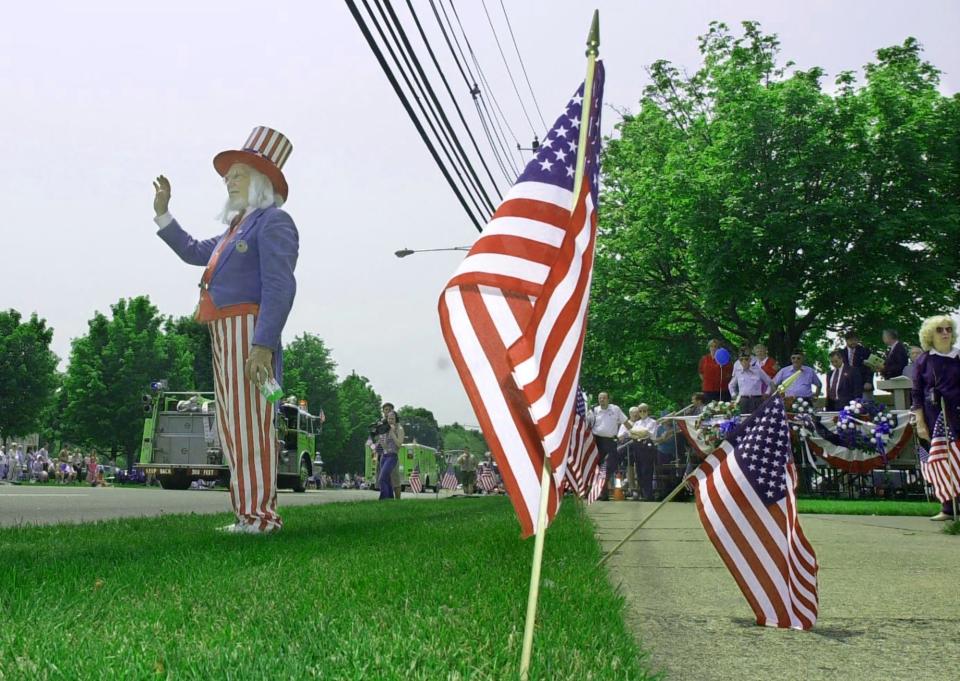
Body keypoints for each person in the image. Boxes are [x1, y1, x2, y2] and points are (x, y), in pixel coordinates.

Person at [153, 126, 299, 534]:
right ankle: (246, 514)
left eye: (238, 174)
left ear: (261, 181)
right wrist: (164, 213)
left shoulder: (273, 222)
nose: (228, 181)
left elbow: (280, 285)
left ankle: (261, 517)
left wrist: (263, 344)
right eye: (228, 176)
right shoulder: (236, 229)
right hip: (224, 331)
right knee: (234, 428)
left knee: (251, 425)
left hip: (248, 330)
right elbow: (195, 251)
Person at [911, 315, 960, 521]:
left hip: (957, 414)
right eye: (940, 329)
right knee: (941, 461)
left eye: (948, 329)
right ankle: (948, 507)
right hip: (934, 416)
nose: (945, 333)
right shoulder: (924, 360)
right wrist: (920, 422)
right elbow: (916, 394)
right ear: (930, 334)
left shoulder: (958, 356)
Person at [591, 392, 631, 499]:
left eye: (604, 398)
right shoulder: (594, 411)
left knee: (610, 466)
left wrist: (634, 431)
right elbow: (588, 425)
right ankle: (602, 494)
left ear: (608, 399)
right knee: (599, 468)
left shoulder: (615, 409)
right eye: (600, 398)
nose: (602, 400)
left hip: (611, 441)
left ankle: (603, 490)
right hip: (598, 441)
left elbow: (626, 422)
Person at [629, 404, 659, 501]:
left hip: (648, 447)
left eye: (644, 411)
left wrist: (639, 433)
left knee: (647, 471)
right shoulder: (637, 423)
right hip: (637, 447)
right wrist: (640, 433)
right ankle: (642, 493)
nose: (642, 413)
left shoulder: (652, 422)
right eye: (640, 411)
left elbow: (648, 433)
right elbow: (632, 434)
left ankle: (648, 495)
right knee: (639, 471)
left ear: (648, 411)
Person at [376, 410, 404, 500]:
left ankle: (383, 498)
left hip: (392, 456)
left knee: (382, 478)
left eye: (392, 419)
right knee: (387, 479)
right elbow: (385, 447)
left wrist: (392, 434)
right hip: (384, 456)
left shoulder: (399, 429)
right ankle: (390, 498)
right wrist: (380, 439)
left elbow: (399, 444)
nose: (390, 420)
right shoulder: (386, 429)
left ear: (396, 419)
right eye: (389, 418)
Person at [842, 331, 872, 397]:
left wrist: (869, 381)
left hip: (863, 384)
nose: (854, 342)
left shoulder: (865, 351)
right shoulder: (841, 353)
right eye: (851, 340)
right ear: (846, 341)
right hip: (847, 386)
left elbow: (870, 368)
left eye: (855, 340)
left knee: (866, 405)